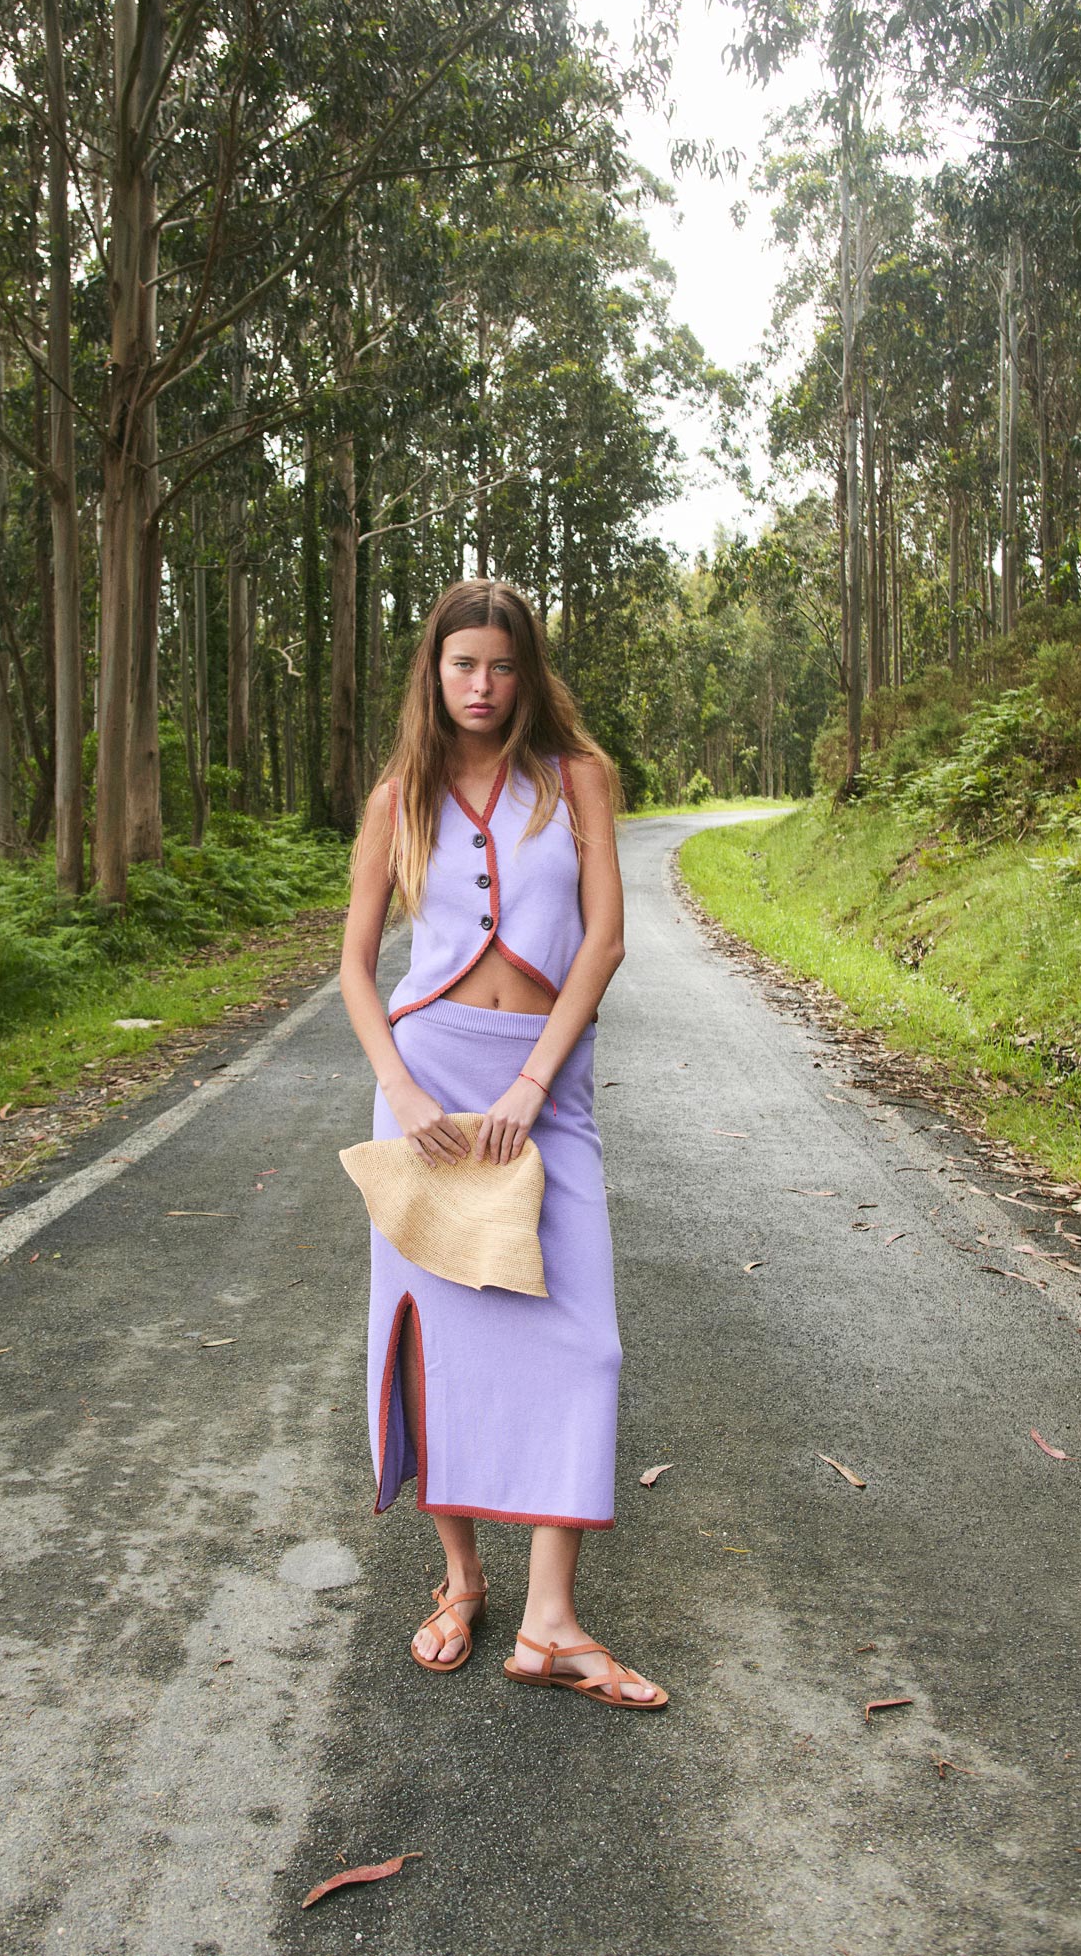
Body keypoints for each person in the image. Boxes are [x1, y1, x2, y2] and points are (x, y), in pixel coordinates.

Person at [338, 579, 666, 1709]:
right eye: (461, 665)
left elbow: (605, 941)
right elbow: (352, 969)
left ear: (530, 673)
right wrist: (397, 1085)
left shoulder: (576, 780)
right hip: (425, 1092)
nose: (481, 686)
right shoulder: (398, 798)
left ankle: (552, 1622)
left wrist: (532, 1082)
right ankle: (462, 1582)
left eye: (502, 665)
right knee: (437, 1346)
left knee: (583, 1343)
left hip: (543, 1092)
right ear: (432, 673)